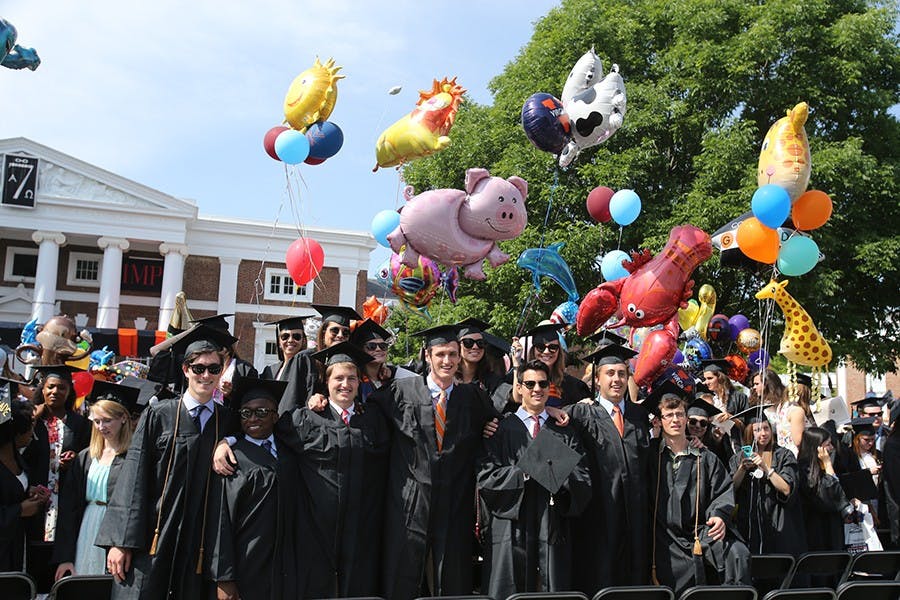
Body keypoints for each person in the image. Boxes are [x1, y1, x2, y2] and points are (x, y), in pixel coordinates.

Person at [95, 326, 238, 599]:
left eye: (213, 368)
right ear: (185, 370)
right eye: (198, 368)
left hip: (199, 539)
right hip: (153, 535)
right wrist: (121, 542)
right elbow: (133, 476)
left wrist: (226, 442)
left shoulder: (226, 420)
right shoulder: (159, 414)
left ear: (222, 371)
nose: (206, 375)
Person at [370, 323, 498, 599]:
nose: (447, 361)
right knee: (402, 574)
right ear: (427, 356)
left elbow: (498, 418)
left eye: (452, 354)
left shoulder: (472, 396)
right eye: (440, 354)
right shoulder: (399, 393)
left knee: (451, 577)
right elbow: (361, 414)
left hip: (454, 502)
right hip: (409, 502)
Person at [478, 359, 591, 599]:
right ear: (518, 388)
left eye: (542, 383)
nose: (536, 389)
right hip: (512, 527)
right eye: (529, 384)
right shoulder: (500, 428)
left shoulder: (564, 430)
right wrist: (525, 472)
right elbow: (486, 477)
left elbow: (583, 478)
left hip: (552, 525)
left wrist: (559, 478)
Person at [206, 377, 306, 600]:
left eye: (261, 412)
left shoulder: (290, 454)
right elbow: (220, 521)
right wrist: (224, 577)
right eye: (246, 413)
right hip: (247, 565)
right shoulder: (232, 459)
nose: (253, 418)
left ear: (275, 416)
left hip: (287, 565)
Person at [647, 392, 750, 597]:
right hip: (660, 536)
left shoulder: (705, 457)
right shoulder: (649, 457)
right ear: (659, 420)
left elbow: (722, 491)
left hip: (698, 533)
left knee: (738, 553)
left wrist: (719, 516)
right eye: (669, 415)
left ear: (685, 418)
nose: (675, 419)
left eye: (680, 414)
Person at [567, 342, 651, 594]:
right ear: (598, 379)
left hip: (637, 518)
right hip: (598, 517)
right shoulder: (580, 414)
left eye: (622, 373)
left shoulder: (639, 416)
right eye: (610, 373)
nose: (617, 379)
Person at [53, 384, 135, 580]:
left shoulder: (133, 458)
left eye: (107, 421)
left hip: (117, 529)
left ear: (123, 418)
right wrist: (65, 556)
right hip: (87, 526)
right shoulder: (86, 457)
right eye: (96, 421)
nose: (101, 427)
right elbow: (68, 508)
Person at [22, 364, 92, 591]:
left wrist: (76, 460)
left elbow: (91, 456)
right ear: (42, 389)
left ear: (69, 391)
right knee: (31, 562)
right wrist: (31, 412)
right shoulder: (30, 419)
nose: (55, 392)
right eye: (50, 387)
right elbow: (9, 439)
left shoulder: (81, 424)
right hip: (34, 503)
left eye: (62, 388)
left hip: (66, 502)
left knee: (59, 561)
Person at [729, 408, 807, 556]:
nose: (763, 433)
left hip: (779, 521)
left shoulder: (784, 455)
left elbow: (786, 489)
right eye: (757, 430)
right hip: (748, 523)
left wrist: (766, 468)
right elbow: (730, 490)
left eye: (766, 428)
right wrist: (741, 469)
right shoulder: (738, 458)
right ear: (749, 433)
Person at [0, 382, 49, 571]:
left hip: (16, 546)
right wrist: (19, 510)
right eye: (29, 429)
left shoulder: (16, 457)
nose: (33, 435)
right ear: (16, 433)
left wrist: (28, 492)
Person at [796, 427, 854, 552]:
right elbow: (829, 495)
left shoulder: (824, 464)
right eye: (827, 445)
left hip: (832, 525)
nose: (832, 448)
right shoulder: (804, 469)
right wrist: (827, 464)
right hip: (816, 527)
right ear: (817, 447)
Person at [510, 323, 591, 408]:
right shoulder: (518, 377)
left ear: (559, 351)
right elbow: (518, 399)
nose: (546, 352)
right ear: (533, 350)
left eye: (553, 347)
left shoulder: (573, 385)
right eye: (541, 347)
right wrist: (516, 362)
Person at [189, 314, 259, 407]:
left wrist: (231, 394)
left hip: (229, 419)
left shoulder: (244, 369)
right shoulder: (194, 367)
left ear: (226, 346)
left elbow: (253, 400)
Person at [261, 316, 317, 414]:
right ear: (279, 342)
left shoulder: (307, 366)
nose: (290, 340)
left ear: (303, 340)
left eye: (296, 336)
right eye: (285, 336)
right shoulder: (270, 371)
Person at [349, 319, 416, 402]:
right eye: (371, 346)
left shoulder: (394, 376)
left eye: (383, 346)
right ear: (361, 350)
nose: (378, 349)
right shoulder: (355, 381)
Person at [754, 369, 807, 456]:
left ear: (767, 384)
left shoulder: (786, 405)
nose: (754, 387)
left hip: (790, 452)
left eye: (757, 384)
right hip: (783, 452)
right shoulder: (782, 407)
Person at [455, 318, 506, 395]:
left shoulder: (490, 380)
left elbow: (515, 397)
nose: (475, 347)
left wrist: (516, 364)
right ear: (458, 346)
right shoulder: (448, 377)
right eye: (468, 342)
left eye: (480, 343)